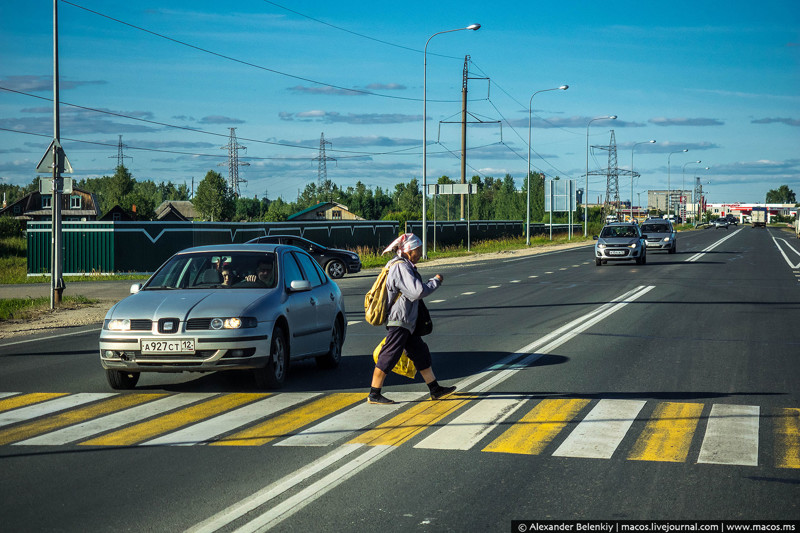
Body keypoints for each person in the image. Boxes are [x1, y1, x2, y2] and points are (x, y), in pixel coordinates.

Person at [367, 233, 455, 405]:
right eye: (418, 249)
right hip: (399, 320)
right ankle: (374, 393)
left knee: (420, 353)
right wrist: (435, 281)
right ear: (408, 250)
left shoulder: (405, 265)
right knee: (389, 354)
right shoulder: (400, 267)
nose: (420, 253)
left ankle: (435, 389)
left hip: (407, 321)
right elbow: (417, 292)